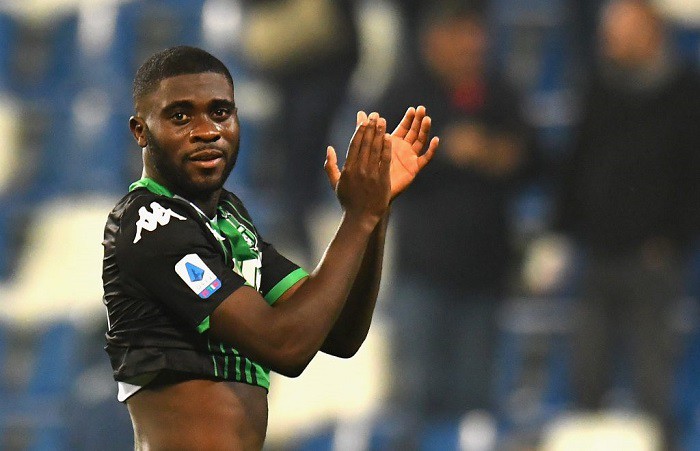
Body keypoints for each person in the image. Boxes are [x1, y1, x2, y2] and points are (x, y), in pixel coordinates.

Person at [101, 46, 438, 450]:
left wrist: (375, 210)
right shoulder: (149, 224)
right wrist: (358, 218)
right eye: (180, 117)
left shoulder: (229, 220)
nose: (207, 130)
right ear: (140, 131)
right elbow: (285, 346)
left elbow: (339, 334)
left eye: (220, 112)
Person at [376, 0, 533, 439]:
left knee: (474, 408)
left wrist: (495, 153)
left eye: (477, 34)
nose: (473, 45)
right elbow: (374, 164)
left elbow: (533, 161)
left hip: (484, 274)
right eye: (462, 34)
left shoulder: (500, 93)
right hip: (422, 274)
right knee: (413, 401)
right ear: (434, 40)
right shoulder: (406, 94)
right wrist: (445, 152)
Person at [554, 0, 700, 445]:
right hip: (597, 251)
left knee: (653, 379)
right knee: (586, 371)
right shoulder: (598, 85)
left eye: (620, 29)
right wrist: (561, 232)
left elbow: (692, 175)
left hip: (653, 258)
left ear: (651, 31)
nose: (609, 39)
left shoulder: (684, 91)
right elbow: (576, 160)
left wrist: (672, 239)